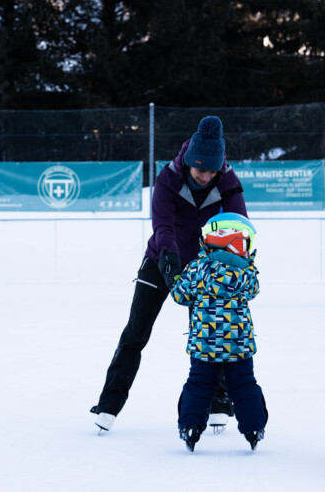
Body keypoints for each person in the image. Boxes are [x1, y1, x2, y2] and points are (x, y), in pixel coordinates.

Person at [90, 115, 248, 432]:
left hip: (205, 267)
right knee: (135, 333)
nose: (205, 176)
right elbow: (163, 224)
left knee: (210, 334)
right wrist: (169, 259)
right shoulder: (168, 179)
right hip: (161, 259)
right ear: (188, 162)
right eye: (199, 169)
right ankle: (109, 404)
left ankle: (217, 402)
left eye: (211, 170)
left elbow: (238, 223)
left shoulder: (227, 181)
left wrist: (230, 260)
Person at [172, 213, 267, 452]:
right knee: (244, 384)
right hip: (238, 344)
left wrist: (178, 279)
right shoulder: (246, 273)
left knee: (200, 383)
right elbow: (254, 290)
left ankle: (191, 426)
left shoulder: (198, 269)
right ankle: (254, 427)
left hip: (205, 343)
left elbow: (179, 295)